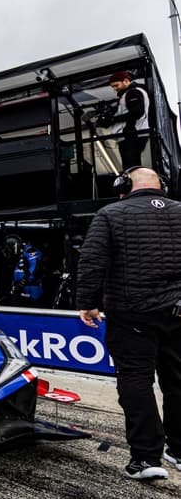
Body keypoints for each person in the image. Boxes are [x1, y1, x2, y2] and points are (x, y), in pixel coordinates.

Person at [77, 167, 181, 481]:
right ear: (160, 185)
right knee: (178, 380)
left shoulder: (111, 213)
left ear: (124, 185)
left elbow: (92, 260)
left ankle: (146, 458)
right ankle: (179, 449)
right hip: (178, 313)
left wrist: (87, 302)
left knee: (136, 381)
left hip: (130, 313)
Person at [99, 71, 150, 169]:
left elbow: (137, 112)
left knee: (131, 167)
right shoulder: (128, 94)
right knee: (131, 166)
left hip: (132, 135)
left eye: (116, 85)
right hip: (131, 135)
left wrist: (113, 119)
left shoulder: (133, 92)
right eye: (113, 87)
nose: (115, 89)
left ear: (126, 81)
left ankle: (134, 183)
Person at [10, 236, 44, 305]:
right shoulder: (19, 254)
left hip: (32, 288)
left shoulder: (30, 250)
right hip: (21, 288)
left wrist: (24, 281)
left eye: (12, 246)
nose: (11, 249)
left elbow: (35, 269)